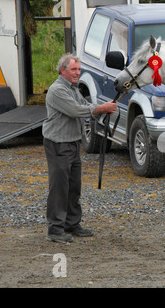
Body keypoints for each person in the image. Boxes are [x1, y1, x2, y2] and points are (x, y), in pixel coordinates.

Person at [42, 54, 117, 243]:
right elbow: (76, 110)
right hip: (58, 143)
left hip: (72, 143)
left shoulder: (72, 89)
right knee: (59, 187)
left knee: (73, 187)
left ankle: (72, 224)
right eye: (74, 69)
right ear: (63, 71)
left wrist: (102, 108)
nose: (77, 73)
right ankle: (55, 229)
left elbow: (84, 105)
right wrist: (101, 109)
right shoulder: (58, 90)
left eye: (79, 69)